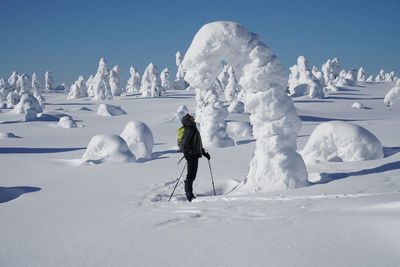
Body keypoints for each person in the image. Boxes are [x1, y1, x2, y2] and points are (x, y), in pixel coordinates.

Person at [180, 113, 210, 202]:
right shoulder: (190, 129)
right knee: (191, 175)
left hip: (194, 155)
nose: (193, 118)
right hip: (191, 155)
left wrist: (204, 153)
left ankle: (189, 192)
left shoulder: (193, 128)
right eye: (191, 117)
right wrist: (189, 153)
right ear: (188, 120)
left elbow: (197, 144)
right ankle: (189, 193)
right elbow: (184, 145)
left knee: (192, 174)